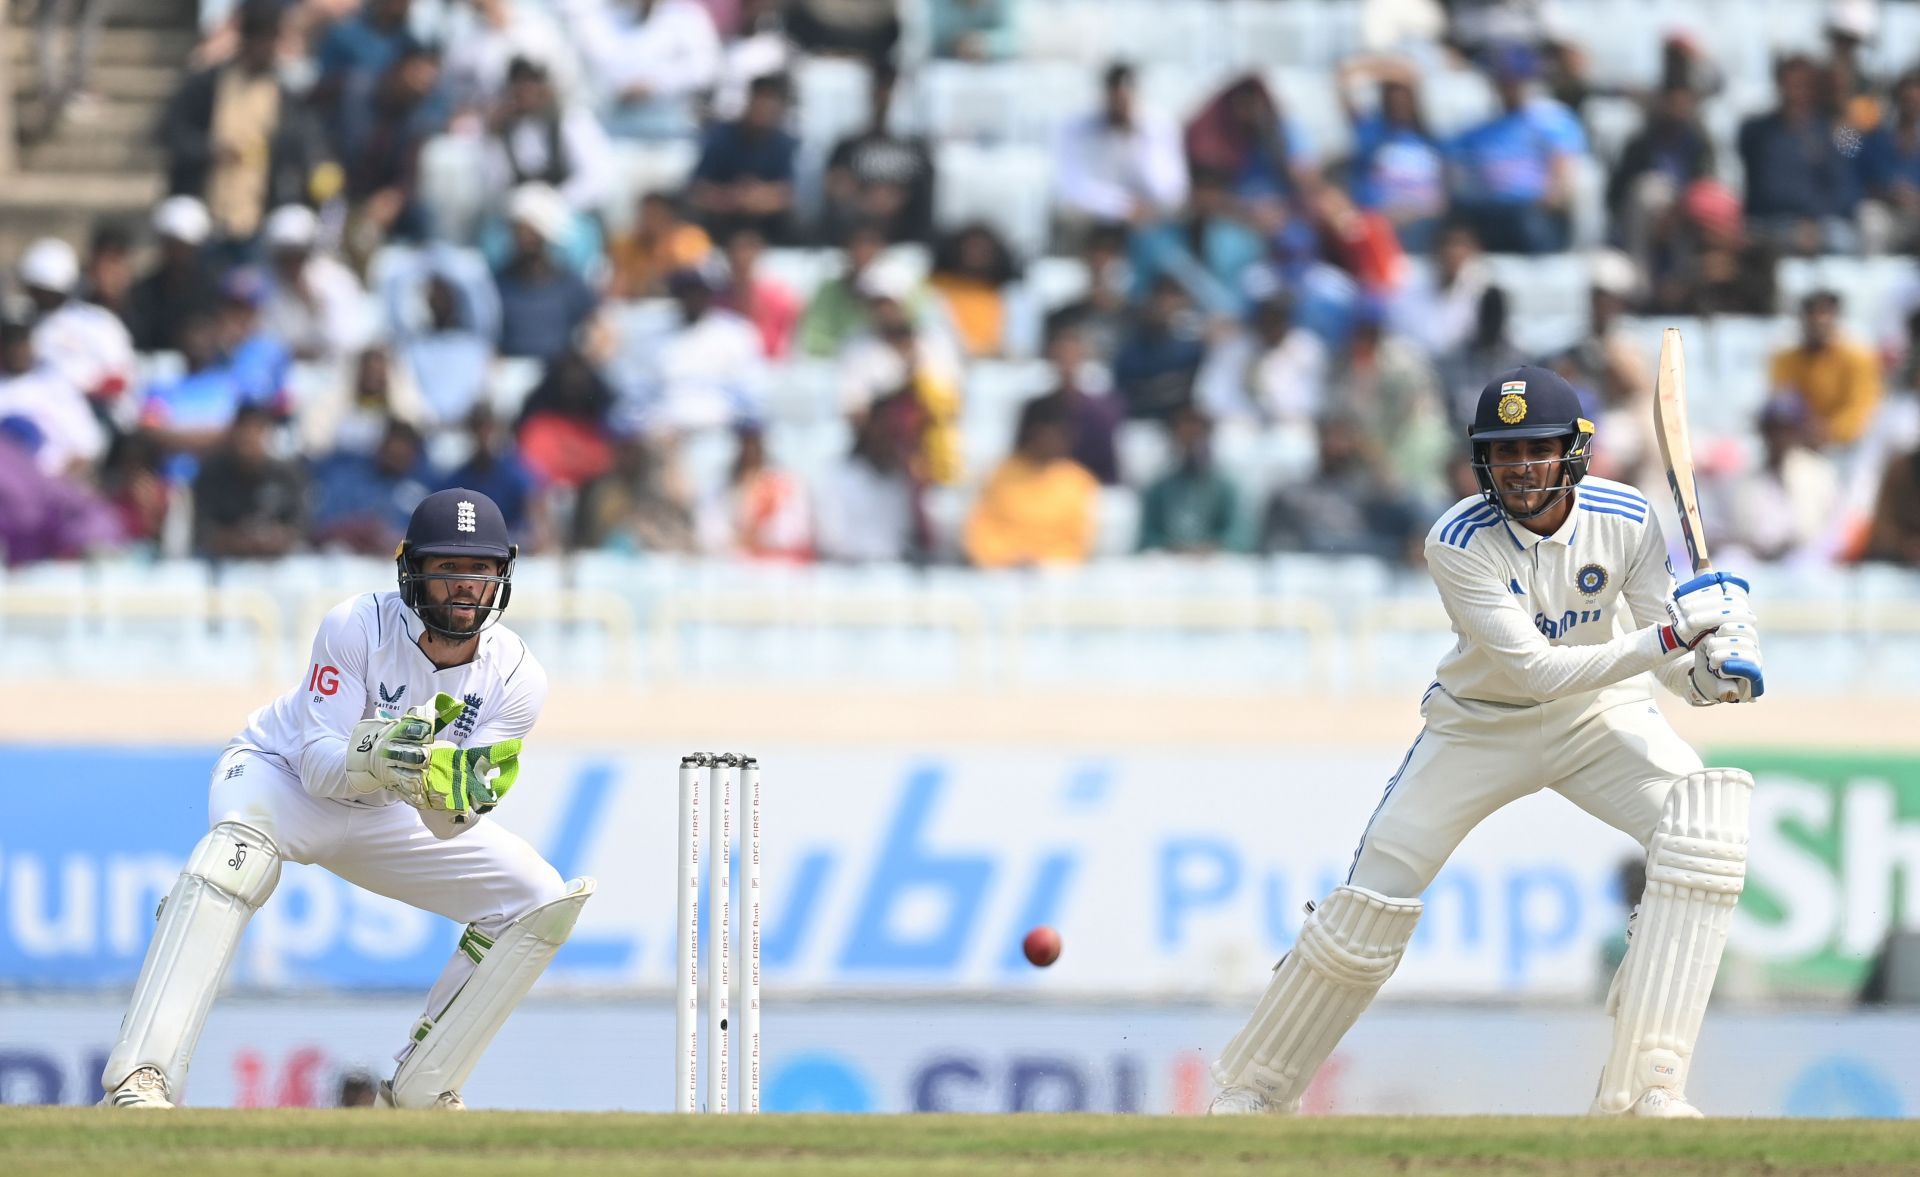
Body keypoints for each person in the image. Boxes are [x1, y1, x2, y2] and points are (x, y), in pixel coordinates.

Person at [1208, 367, 1766, 1119]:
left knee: (1706, 825)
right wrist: (1673, 632)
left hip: (1600, 717)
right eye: (1504, 453)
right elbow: (1535, 671)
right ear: (1480, 461)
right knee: (1372, 898)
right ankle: (1256, 1090)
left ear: (1576, 452)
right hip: (1480, 724)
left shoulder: (1628, 518)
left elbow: (1672, 674)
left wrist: (1714, 668)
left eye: (1538, 449)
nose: (1521, 467)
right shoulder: (1456, 539)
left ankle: (1646, 1090)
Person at [100, 488, 591, 1110]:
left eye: (481, 571)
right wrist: (382, 755)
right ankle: (141, 1079)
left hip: (388, 811)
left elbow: (445, 827)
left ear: (502, 575)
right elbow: (317, 766)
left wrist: (444, 790)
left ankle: (420, 1091)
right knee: (231, 861)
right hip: (279, 780)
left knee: (537, 900)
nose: (466, 587)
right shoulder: (357, 625)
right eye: (448, 571)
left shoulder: (518, 676)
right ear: (412, 571)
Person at [963, 395, 1100, 569]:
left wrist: (1044, 562)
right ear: (1032, 432)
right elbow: (979, 532)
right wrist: (1006, 558)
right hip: (1000, 574)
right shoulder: (999, 475)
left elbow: (1078, 542)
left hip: (1057, 578)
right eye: (1051, 434)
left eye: (1062, 434)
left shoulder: (1078, 481)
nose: (1056, 441)